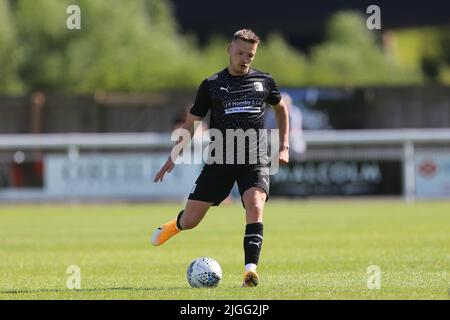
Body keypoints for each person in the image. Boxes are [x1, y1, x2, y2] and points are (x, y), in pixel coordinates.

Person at [152, 29, 290, 287]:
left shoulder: (264, 81)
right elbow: (192, 123)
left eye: (250, 54)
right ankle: (175, 225)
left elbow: (281, 110)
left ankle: (250, 271)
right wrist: (173, 156)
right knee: (192, 220)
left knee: (256, 204)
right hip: (220, 160)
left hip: (254, 158)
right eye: (240, 53)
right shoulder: (211, 85)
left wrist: (284, 145)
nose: (244, 59)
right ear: (229, 49)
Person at [265, 92, 306, 158]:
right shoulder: (271, 113)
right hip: (275, 144)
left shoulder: (295, 112)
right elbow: (267, 129)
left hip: (294, 147)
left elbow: (292, 130)